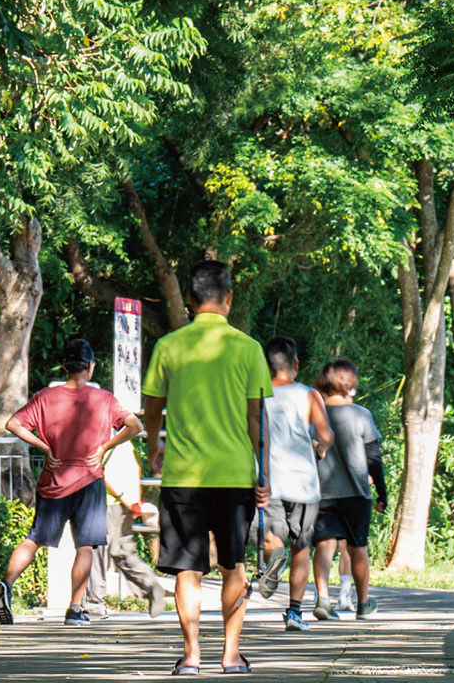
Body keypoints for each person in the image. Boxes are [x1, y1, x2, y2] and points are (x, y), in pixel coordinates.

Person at [142, 260, 273, 676]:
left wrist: (152, 450)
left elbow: (152, 411)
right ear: (228, 299)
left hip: (183, 475)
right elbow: (257, 419)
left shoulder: (169, 346)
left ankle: (192, 655)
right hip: (234, 475)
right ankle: (231, 656)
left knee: (186, 568)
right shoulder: (249, 348)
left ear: (191, 300)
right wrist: (258, 469)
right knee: (233, 564)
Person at [0, 339, 143, 627]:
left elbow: (12, 423)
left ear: (65, 366)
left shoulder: (45, 397)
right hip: (89, 479)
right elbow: (135, 426)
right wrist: (104, 447)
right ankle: (75, 610)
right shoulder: (104, 400)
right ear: (90, 366)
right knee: (84, 547)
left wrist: (45, 448)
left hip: (54, 478)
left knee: (35, 538)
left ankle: (6, 584)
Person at [254, 336, 333, 632]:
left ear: (266, 366)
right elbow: (326, 434)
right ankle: (294, 613)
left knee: (272, 536)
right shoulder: (310, 395)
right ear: (295, 365)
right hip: (304, 482)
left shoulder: (257, 395)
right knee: (302, 546)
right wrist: (320, 447)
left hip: (269, 480)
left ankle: (275, 555)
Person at [310, 359, 386, 621]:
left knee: (324, 544)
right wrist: (383, 495)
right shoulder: (362, 414)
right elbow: (373, 458)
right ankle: (363, 604)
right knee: (358, 547)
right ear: (350, 384)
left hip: (322, 491)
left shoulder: (314, 413)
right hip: (357, 492)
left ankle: (322, 599)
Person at [81, 443, 169, 618]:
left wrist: (124, 498)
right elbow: (134, 468)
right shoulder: (126, 441)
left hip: (105, 501)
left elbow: (99, 469)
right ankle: (151, 586)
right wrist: (133, 501)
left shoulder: (101, 439)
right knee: (122, 551)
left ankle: (94, 603)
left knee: (97, 552)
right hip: (124, 502)